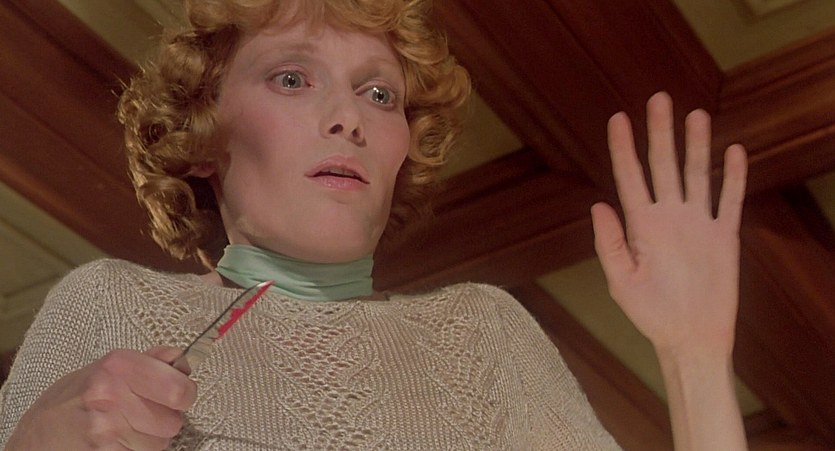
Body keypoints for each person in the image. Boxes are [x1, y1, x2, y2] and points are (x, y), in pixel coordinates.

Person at [0, 0, 748, 449]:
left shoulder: (487, 333)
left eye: (379, 94)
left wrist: (695, 357)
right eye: (292, 78)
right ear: (202, 134)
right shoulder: (110, 303)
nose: (347, 118)